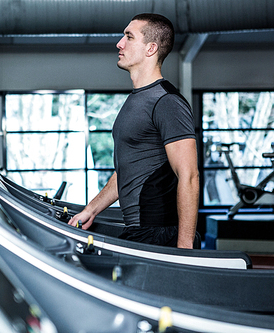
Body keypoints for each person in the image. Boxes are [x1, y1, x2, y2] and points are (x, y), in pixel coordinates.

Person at [68, 13, 200, 249]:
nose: (119, 43)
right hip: (139, 230)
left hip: (159, 232)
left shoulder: (167, 101)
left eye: (129, 37)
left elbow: (189, 176)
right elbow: (127, 172)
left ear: (151, 49)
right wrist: (91, 209)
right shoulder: (137, 100)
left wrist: (185, 247)